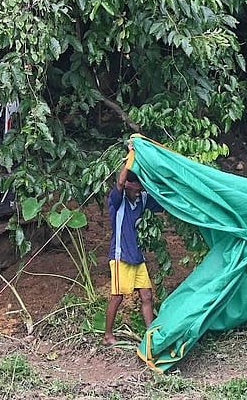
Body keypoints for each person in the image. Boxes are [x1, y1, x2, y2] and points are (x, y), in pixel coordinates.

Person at [104, 145, 163, 346]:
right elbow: (120, 180)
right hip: (121, 256)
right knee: (117, 297)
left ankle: (150, 332)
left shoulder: (142, 198)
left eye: (141, 190)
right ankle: (108, 335)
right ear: (128, 186)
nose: (139, 193)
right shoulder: (116, 200)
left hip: (137, 256)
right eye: (136, 190)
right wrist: (133, 153)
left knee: (147, 295)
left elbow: (162, 201)